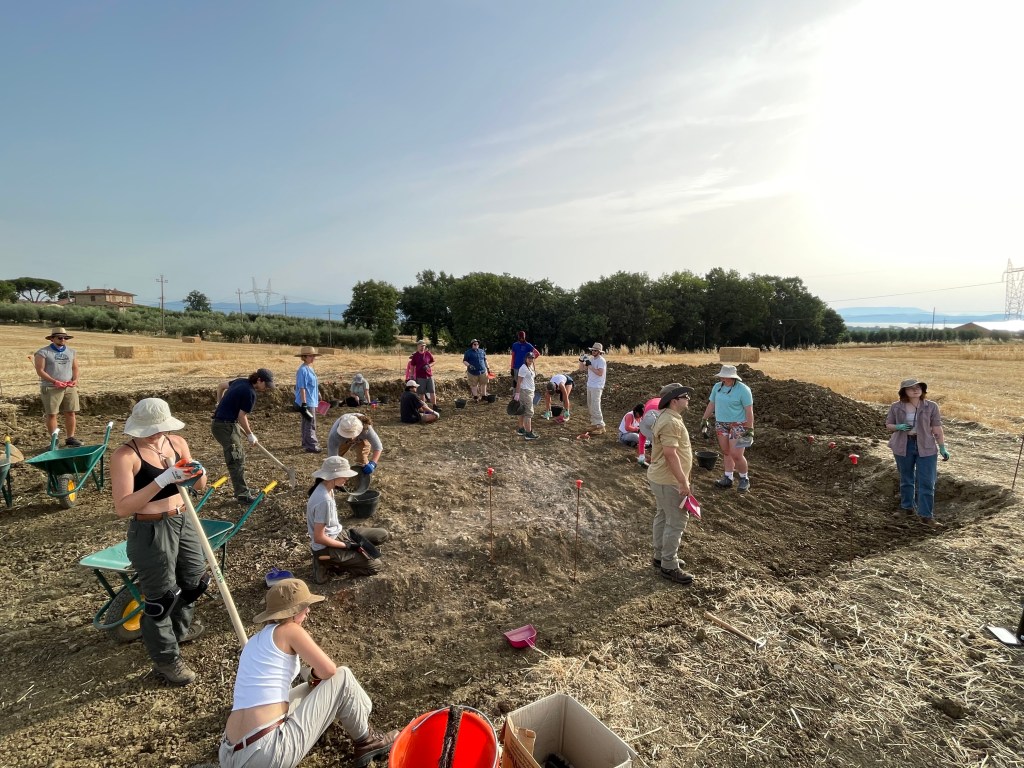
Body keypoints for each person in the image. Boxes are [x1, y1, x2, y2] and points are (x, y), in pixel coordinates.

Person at [219, 578, 398, 768]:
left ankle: (351, 717)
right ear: (293, 612)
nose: (308, 611)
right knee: (343, 677)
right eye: (305, 606)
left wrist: (314, 678)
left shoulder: (254, 642)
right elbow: (329, 670)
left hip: (228, 753)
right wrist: (316, 676)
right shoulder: (289, 630)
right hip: (266, 754)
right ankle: (367, 741)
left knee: (310, 689)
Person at [110, 398, 209, 686]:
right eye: (150, 430)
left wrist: (198, 473)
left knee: (194, 582)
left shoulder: (177, 443)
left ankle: (177, 633)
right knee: (160, 598)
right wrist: (162, 480)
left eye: (160, 428)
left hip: (183, 519)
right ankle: (166, 658)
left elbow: (198, 486)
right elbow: (122, 508)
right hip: (150, 529)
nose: (157, 434)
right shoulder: (125, 456)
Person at [306, 456, 390, 583]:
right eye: (344, 475)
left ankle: (336, 560)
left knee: (382, 534)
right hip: (326, 546)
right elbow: (319, 537)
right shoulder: (324, 500)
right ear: (334, 476)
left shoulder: (326, 487)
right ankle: (328, 564)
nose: (347, 478)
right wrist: (347, 545)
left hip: (338, 534)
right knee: (376, 566)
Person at [647, 385, 695, 585]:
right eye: (685, 396)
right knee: (676, 520)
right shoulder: (670, 422)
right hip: (669, 480)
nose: (688, 399)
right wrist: (683, 482)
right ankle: (669, 564)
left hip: (662, 478)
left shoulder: (668, 417)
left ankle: (660, 556)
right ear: (674, 400)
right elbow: (670, 454)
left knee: (663, 515)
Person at [886, 378, 949, 526]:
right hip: (903, 445)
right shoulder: (896, 406)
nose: (915, 390)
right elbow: (888, 424)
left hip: (926, 446)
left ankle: (926, 516)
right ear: (904, 392)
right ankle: (907, 508)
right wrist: (898, 427)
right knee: (906, 478)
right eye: (911, 388)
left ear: (923, 390)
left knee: (927, 481)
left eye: (918, 387)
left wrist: (942, 447)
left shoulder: (931, 406)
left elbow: (936, 427)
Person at [214, 368, 275, 504]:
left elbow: (221, 386)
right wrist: (250, 434)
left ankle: (243, 488)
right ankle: (242, 494)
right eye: (266, 385)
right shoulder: (250, 393)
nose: (266, 388)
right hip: (225, 426)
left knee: (238, 456)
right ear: (259, 380)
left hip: (225, 424)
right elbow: (241, 416)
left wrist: (219, 403)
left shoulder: (240, 381)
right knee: (236, 458)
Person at [700, 365, 754, 492]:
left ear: (733, 377)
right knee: (726, 451)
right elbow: (712, 404)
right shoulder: (717, 387)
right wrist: (704, 419)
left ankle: (744, 478)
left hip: (738, 425)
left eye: (726, 376)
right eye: (722, 376)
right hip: (721, 424)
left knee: (736, 454)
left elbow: (749, 410)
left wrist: (750, 429)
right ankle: (728, 477)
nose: (723, 378)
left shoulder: (743, 390)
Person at [34, 327, 82, 446]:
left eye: (65, 338)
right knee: (52, 414)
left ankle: (70, 438)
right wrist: (54, 382)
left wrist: (75, 380)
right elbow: (40, 370)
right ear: (52, 339)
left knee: (70, 412)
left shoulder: (71, 352)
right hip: (51, 387)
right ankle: (54, 440)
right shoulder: (43, 352)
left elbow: (75, 368)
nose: (63, 340)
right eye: (60, 338)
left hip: (69, 387)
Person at [636, 383, 684, 468]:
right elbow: (642, 436)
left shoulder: (666, 414)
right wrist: (641, 455)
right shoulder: (646, 420)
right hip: (650, 407)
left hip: (662, 407)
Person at [294, 347, 322, 453]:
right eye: (310, 356)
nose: (313, 358)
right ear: (304, 357)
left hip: (312, 399)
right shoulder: (302, 370)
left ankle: (306, 442)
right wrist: (304, 403)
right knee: (310, 422)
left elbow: (312, 384)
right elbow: (302, 388)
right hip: (307, 400)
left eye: (313, 356)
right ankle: (312, 445)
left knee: (306, 422)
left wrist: (318, 393)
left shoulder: (310, 368)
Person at [515, 351, 540, 440]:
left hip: (529, 391)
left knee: (522, 410)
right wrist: (517, 393)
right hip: (525, 392)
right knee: (529, 412)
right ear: (525, 359)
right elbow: (519, 382)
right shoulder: (523, 368)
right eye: (529, 358)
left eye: (532, 358)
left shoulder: (530, 367)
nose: (531, 359)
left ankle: (521, 429)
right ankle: (528, 433)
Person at [584, 342, 607, 434]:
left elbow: (600, 373)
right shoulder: (591, 359)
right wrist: (581, 361)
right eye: (593, 350)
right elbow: (582, 369)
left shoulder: (601, 361)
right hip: (590, 385)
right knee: (590, 405)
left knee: (595, 405)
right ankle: (595, 424)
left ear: (599, 352)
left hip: (597, 386)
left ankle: (600, 425)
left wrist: (590, 366)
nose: (593, 351)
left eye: (595, 350)